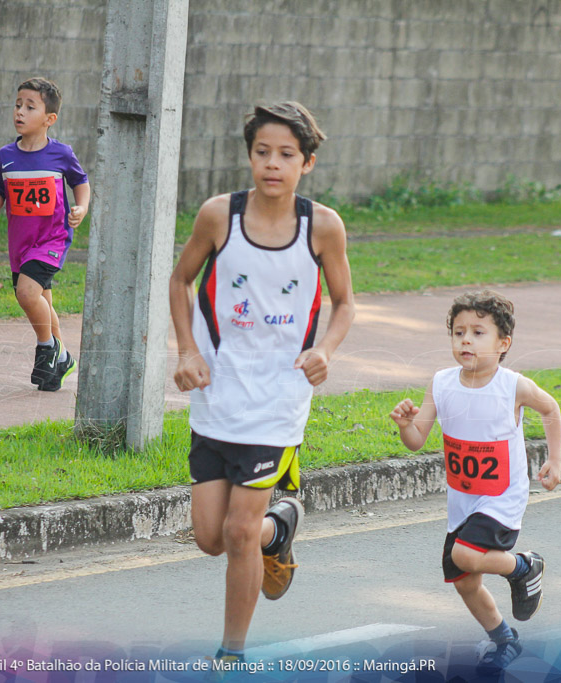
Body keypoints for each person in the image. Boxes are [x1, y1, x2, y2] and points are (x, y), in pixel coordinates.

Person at [168, 102, 355, 665]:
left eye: (286, 155)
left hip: (279, 398)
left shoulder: (321, 226)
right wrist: (187, 350)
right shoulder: (217, 216)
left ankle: (232, 653)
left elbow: (345, 302)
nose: (272, 164)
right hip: (217, 392)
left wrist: (324, 349)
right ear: (250, 155)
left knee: (239, 535)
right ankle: (282, 528)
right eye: (262, 152)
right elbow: (181, 281)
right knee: (209, 536)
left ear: (308, 163)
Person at [389, 290, 561, 671]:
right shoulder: (441, 382)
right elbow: (417, 440)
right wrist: (405, 425)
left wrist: (554, 459)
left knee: (463, 555)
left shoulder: (512, 385)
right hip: (463, 500)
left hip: (502, 497)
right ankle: (504, 639)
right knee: (465, 580)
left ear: (503, 344)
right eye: (458, 332)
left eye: (478, 333)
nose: (466, 340)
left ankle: (523, 567)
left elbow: (550, 408)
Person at [0, 77, 90, 391]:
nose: (20, 112)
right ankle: (64, 356)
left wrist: (80, 208)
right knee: (40, 300)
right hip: (20, 244)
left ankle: (47, 348)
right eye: (18, 105)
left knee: (27, 294)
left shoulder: (61, 154)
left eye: (30, 107)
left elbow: (81, 183)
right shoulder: (5, 156)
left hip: (51, 240)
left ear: (49, 119)